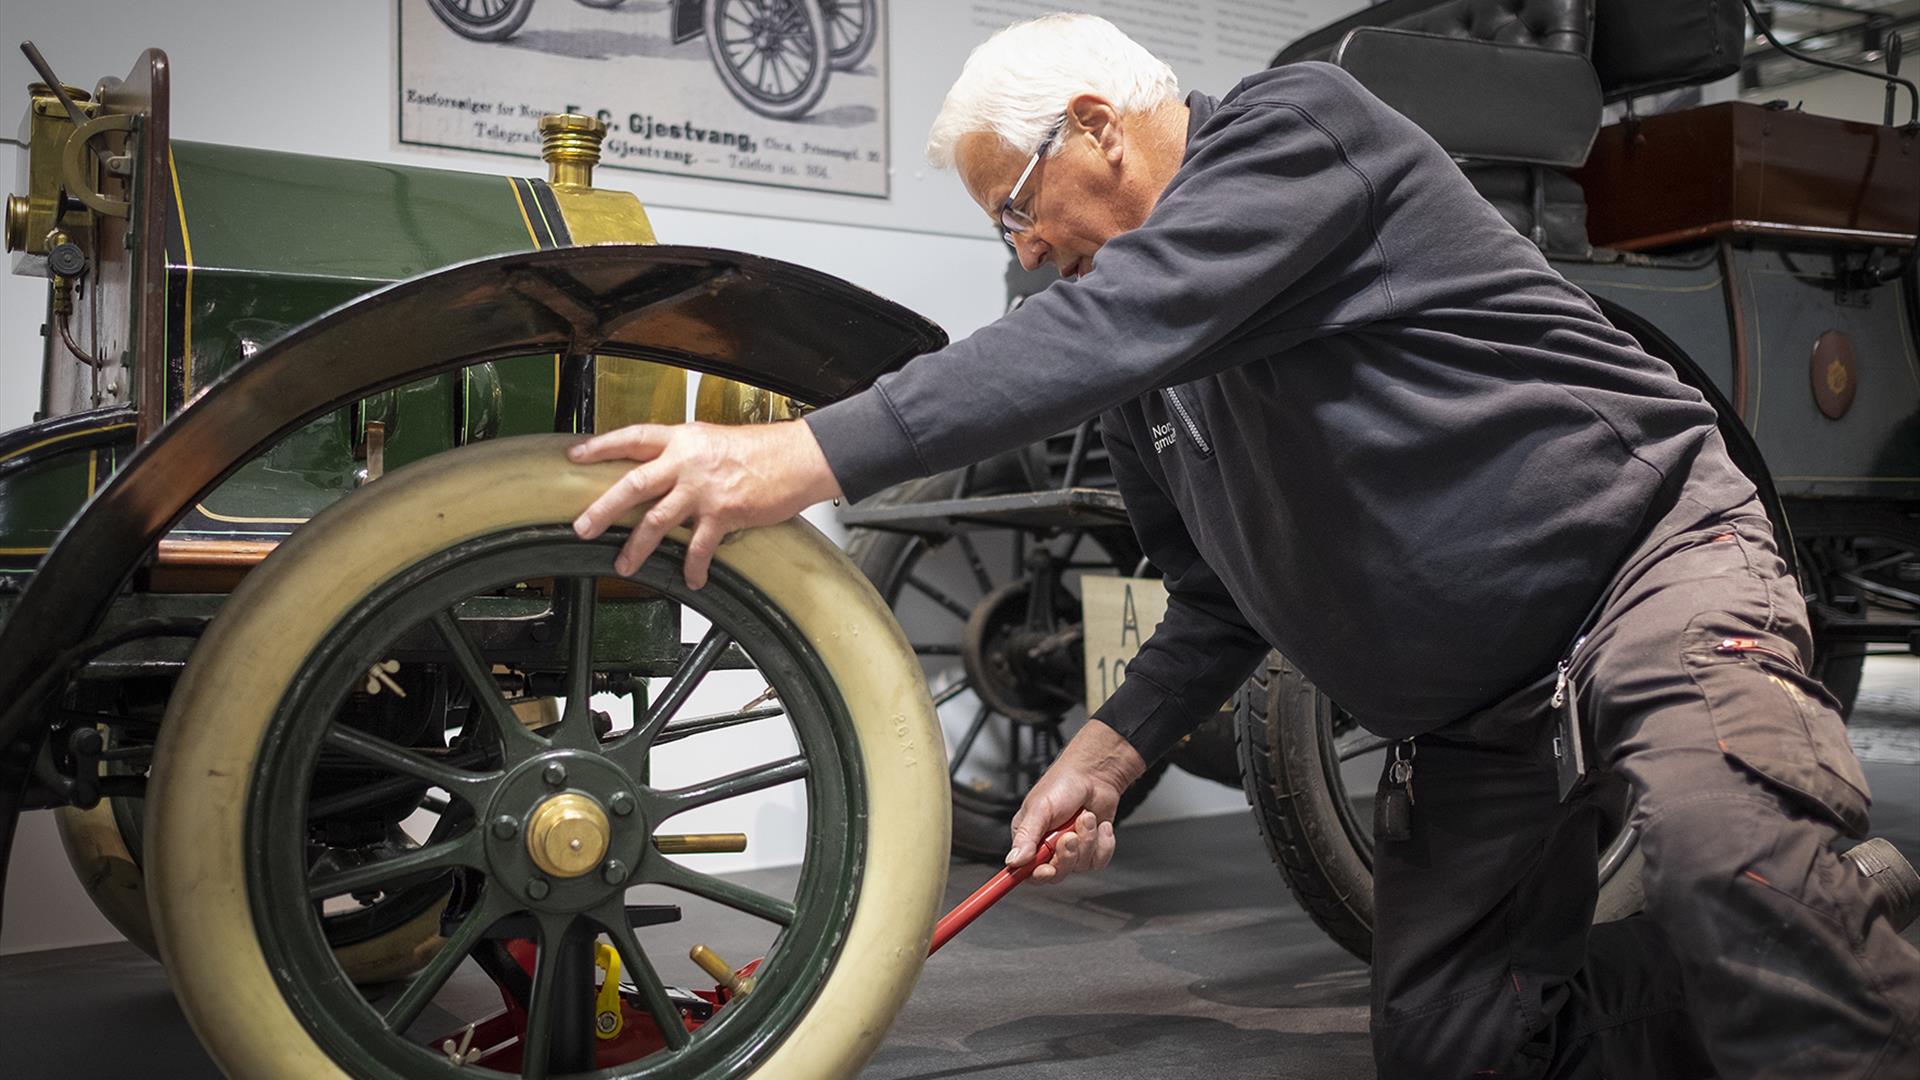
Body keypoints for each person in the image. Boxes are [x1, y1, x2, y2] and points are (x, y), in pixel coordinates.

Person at [569, 13, 1920, 1077]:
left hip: (1644, 569)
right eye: (1004, 231)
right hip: (1472, 707)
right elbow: (1217, 598)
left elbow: (1105, 326)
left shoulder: (1299, 131)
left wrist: (798, 454)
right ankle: (1814, 947)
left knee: (1724, 850)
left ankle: (1810, 938)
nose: (1025, 251)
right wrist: (1111, 751)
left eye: (1017, 208)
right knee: (1458, 1046)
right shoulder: (1155, 370)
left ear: (1097, 127)